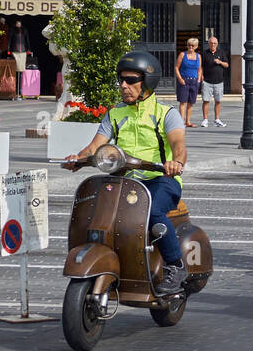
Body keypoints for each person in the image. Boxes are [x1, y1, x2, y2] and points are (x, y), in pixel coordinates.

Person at [62, 52, 189, 294]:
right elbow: (94, 146)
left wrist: (176, 163)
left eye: (130, 80)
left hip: (160, 180)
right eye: (121, 80)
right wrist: (77, 158)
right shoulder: (115, 114)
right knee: (95, 211)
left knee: (152, 212)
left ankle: (175, 265)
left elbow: (179, 147)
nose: (123, 85)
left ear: (148, 82)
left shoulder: (166, 114)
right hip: (124, 182)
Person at [199, 34, 229, 127]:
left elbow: (227, 65)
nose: (213, 45)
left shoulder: (221, 53)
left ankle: (217, 119)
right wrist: (201, 76)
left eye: (214, 43)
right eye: (211, 43)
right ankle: (205, 120)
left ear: (217, 44)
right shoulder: (204, 53)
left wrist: (220, 62)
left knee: (218, 101)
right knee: (206, 101)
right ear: (208, 44)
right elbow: (200, 66)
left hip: (219, 81)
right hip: (207, 81)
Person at [174, 38, 201, 127]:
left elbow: (199, 69)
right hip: (184, 80)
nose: (190, 47)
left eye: (192, 45)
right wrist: (180, 79)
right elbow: (176, 68)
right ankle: (181, 122)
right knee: (183, 102)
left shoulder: (198, 56)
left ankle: (188, 121)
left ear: (196, 46)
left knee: (191, 102)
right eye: (189, 45)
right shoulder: (182, 55)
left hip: (194, 81)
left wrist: (199, 79)